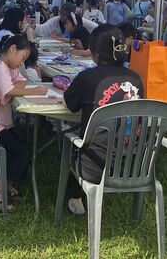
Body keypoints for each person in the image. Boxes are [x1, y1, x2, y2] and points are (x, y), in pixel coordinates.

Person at [62, 24, 143, 214]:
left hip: (94, 166)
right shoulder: (136, 79)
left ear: (94, 53)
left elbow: (68, 105)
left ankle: (76, 198)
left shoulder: (87, 77)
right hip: (133, 165)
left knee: (71, 139)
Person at [0, 34, 46, 210]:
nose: (22, 63)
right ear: (13, 49)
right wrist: (35, 91)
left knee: (22, 146)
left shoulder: (8, 67)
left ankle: (5, 184)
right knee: (21, 153)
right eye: (23, 57)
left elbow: (21, 82)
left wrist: (17, 88)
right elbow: (10, 90)